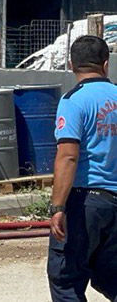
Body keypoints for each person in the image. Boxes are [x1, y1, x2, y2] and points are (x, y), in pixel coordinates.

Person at [49, 35, 117, 301]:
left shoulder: (73, 100)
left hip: (85, 201)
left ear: (70, 64)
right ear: (105, 64)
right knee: (110, 275)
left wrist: (57, 207)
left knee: (66, 279)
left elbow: (68, 157)